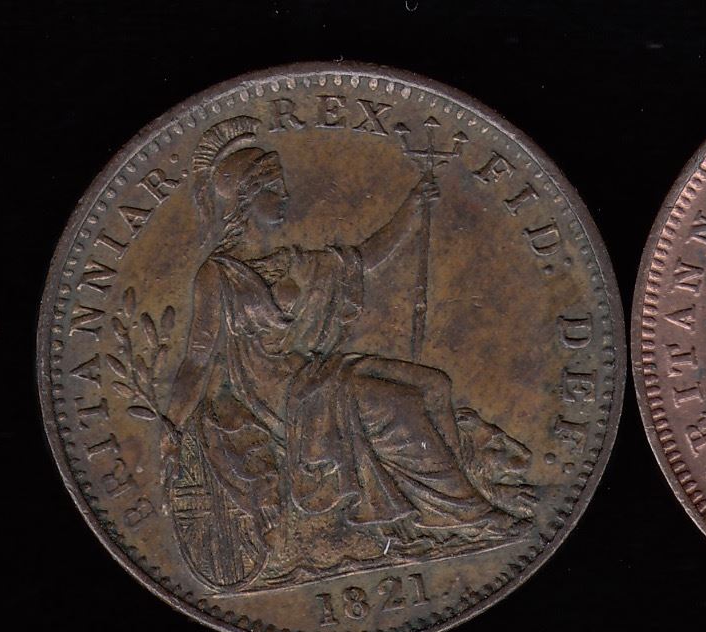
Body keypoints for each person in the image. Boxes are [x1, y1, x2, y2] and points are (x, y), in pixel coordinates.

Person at [161, 116, 526, 588]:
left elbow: (366, 258)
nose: (286, 197)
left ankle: (442, 506)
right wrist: (170, 424)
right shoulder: (216, 276)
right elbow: (196, 358)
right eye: (274, 189)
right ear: (247, 201)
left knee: (434, 384)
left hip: (314, 375)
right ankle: (468, 515)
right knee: (398, 406)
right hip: (280, 397)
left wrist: (413, 211)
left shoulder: (292, 263)